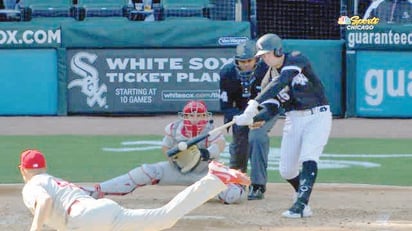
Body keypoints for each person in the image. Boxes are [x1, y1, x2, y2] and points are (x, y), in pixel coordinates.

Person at [18, 149, 250, 231]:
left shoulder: (33, 185)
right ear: (45, 166)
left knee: (163, 219)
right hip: (101, 212)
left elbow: (45, 201)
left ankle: (214, 179)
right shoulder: (55, 180)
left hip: (83, 219)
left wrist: (35, 229)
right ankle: (214, 180)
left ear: (22, 169)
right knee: (164, 218)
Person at [234, 33, 332, 218]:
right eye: (261, 56)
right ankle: (301, 195)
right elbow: (272, 108)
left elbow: (282, 81)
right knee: (286, 170)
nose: (263, 58)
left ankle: (301, 204)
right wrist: (252, 119)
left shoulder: (296, 58)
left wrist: (253, 103)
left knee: (308, 157)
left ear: (278, 50)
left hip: (317, 115)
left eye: (266, 54)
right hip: (293, 119)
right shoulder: (267, 79)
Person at [85, 100, 246, 204]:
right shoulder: (174, 128)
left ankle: (234, 188)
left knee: (234, 196)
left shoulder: (212, 130)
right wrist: (178, 157)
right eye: (191, 115)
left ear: (205, 115)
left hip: (204, 172)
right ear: (185, 116)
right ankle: (99, 189)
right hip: (177, 170)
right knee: (145, 172)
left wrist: (205, 153)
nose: (195, 118)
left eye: (199, 115)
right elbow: (166, 148)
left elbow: (219, 145)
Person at [219, 40, 279, 200]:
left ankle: (258, 185)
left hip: (265, 110)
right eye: (242, 61)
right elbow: (225, 105)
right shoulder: (226, 73)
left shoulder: (269, 71)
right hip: (240, 112)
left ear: (256, 59)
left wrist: (257, 118)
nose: (246, 65)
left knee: (257, 137)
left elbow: (274, 102)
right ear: (236, 61)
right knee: (239, 137)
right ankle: (236, 180)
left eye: (249, 61)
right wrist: (239, 118)